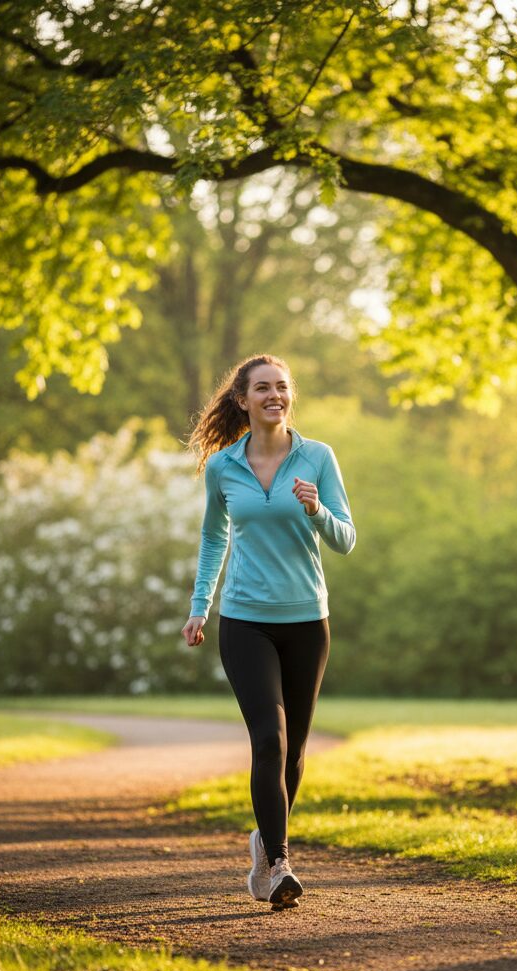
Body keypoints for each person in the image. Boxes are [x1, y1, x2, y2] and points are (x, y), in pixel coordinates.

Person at [181, 354, 356, 910]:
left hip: (307, 620)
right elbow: (214, 539)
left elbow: (347, 538)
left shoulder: (318, 457)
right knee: (269, 738)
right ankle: (279, 863)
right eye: (263, 388)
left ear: (290, 396)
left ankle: (264, 840)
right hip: (245, 620)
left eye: (281, 387)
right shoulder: (223, 467)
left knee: (296, 749)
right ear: (243, 399)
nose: (274, 395)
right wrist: (199, 606)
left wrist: (317, 510)